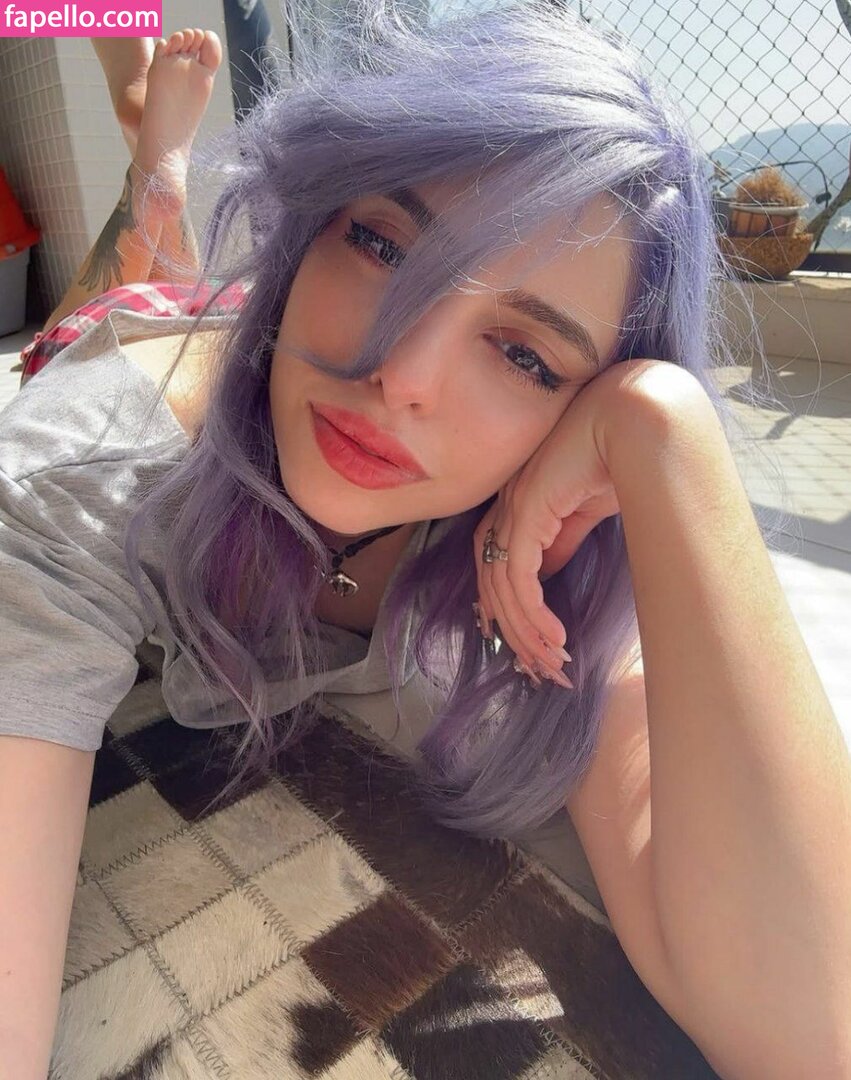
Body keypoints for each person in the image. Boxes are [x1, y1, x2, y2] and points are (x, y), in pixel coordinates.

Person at [1, 2, 850, 1077]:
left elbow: (811, 1034)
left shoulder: (558, 541)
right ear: (307, 233)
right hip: (130, 353)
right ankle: (152, 150)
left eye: (525, 356)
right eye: (380, 244)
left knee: (164, 260)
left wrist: (662, 429)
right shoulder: (74, 476)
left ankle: (157, 156)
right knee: (134, 282)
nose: (400, 375)